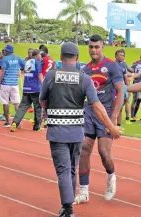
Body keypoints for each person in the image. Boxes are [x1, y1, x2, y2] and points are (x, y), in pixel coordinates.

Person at [39, 42, 121, 217]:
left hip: (57, 132)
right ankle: (70, 203)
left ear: (61, 57)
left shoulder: (51, 76)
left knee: (63, 170)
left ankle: (67, 209)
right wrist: (111, 126)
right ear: (76, 58)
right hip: (77, 133)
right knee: (72, 168)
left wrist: (48, 114)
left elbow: (42, 99)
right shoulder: (84, 78)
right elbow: (97, 106)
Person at [75, 34, 124, 205]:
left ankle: (111, 177)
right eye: (91, 47)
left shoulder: (112, 66)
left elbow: (121, 92)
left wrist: (114, 117)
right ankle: (83, 191)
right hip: (89, 113)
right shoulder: (85, 69)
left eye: (97, 47)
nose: (94, 50)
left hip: (107, 113)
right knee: (84, 148)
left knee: (104, 153)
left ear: (103, 47)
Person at [10, 49, 43, 132]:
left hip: (26, 88)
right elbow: (39, 74)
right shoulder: (37, 62)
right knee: (38, 108)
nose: (41, 56)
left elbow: (24, 72)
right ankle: (37, 126)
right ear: (36, 55)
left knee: (22, 107)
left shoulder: (27, 62)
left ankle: (15, 122)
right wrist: (43, 84)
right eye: (40, 55)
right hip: (35, 88)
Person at [0, 44, 25, 127]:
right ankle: (18, 121)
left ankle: (7, 122)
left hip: (6, 84)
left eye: (4, 50)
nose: (4, 51)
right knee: (17, 103)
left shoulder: (4, 59)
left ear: (6, 51)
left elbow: (2, 71)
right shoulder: (18, 58)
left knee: (5, 103)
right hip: (15, 84)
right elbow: (24, 66)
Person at [115, 49, 130, 125]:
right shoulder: (113, 64)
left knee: (125, 101)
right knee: (117, 105)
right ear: (116, 56)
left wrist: (127, 85)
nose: (123, 57)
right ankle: (116, 123)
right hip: (115, 86)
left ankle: (124, 120)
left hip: (123, 86)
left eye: (123, 55)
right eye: (121, 55)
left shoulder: (124, 64)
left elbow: (125, 75)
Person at [130, 55, 141, 122]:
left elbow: (131, 71)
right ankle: (132, 116)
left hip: (135, 83)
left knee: (135, 100)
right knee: (137, 100)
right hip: (139, 83)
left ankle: (132, 116)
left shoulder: (135, 63)